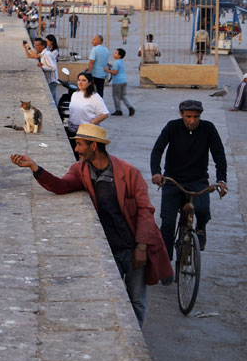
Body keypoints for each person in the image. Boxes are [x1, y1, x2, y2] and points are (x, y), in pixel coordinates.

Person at [11, 124, 172, 328]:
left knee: (136, 300)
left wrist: (141, 247)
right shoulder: (80, 170)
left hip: (132, 248)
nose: (76, 149)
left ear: (94, 146)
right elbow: (61, 186)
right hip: (109, 248)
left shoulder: (129, 172)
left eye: (79, 144)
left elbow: (145, 210)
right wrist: (35, 167)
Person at [150, 100, 228, 258]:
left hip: (198, 180)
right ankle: (166, 261)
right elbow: (157, 149)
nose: (192, 120)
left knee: (203, 210)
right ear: (181, 114)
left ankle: (200, 229)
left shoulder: (208, 128)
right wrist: (156, 172)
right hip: (173, 180)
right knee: (168, 223)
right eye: (188, 116)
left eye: (196, 117)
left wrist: (222, 180)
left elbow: (219, 154)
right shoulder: (172, 127)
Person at [67, 72, 109, 147]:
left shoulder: (95, 97)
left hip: (86, 133)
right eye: (79, 80)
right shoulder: (75, 94)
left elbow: (105, 113)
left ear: (89, 83)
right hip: (72, 130)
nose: (80, 82)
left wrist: (91, 123)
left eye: (83, 80)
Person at [106, 48, 135, 117]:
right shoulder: (120, 61)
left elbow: (115, 72)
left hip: (117, 82)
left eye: (116, 53)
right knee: (122, 96)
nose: (114, 54)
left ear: (119, 56)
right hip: (123, 81)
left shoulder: (116, 62)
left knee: (116, 96)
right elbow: (115, 68)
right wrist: (109, 65)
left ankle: (118, 110)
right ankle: (130, 107)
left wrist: (106, 70)